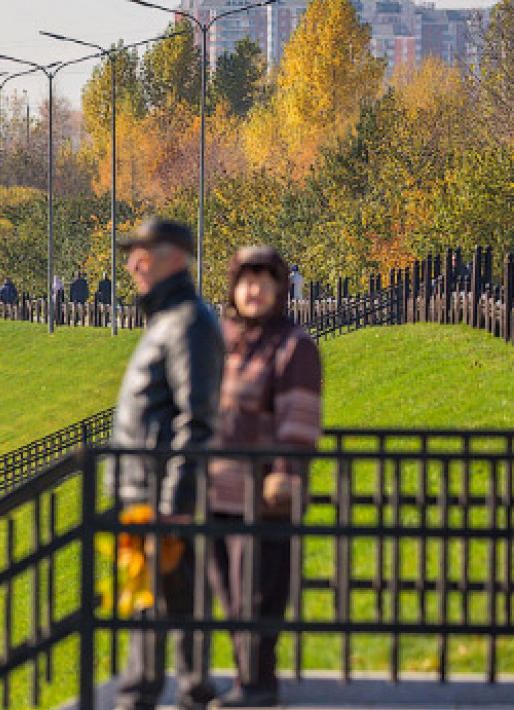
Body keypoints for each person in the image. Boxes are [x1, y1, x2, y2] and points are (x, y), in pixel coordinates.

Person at [110, 218, 224, 710]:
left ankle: (145, 697)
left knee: (159, 604)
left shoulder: (189, 324)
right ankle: (185, 692)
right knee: (162, 601)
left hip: (161, 495)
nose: (133, 263)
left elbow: (198, 420)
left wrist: (175, 500)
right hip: (147, 492)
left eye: (144, 252)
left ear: (177, 257)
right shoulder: (169, 320)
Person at [207, 247, 322, 708]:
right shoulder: (227, 339)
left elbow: (300, 419)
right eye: (245, 281)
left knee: (259, 591)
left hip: (266, 494)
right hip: (220, 489)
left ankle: (258, 685)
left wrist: (286, 472)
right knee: (230, 594)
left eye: (263, 282)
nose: (253, 291)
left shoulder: (293, 345)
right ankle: (246, 680)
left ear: (279, 289)